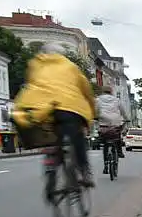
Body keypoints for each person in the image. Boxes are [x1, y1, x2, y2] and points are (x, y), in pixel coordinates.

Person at [11, 42, 95, 188]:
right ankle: (83, 172)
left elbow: (30, 85)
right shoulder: (71, 67)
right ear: (62, 55)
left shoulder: (35, 65)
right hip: (69, 108)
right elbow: (87, 91)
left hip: (41, 109)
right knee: (78, 139)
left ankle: (52, 166)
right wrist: (92, 113)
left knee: (51, 138)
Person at [95, 85, 128, 174]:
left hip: (103, 123)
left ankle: (106, 165)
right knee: (117, 135)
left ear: (103, 91)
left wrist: (95, 117)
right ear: (111, 92)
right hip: (115, 122)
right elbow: (122, 111)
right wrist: (126, 118)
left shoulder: (98, 99)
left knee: (105, 144)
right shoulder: (117, 100)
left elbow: (96, 110)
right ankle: (119, 152)